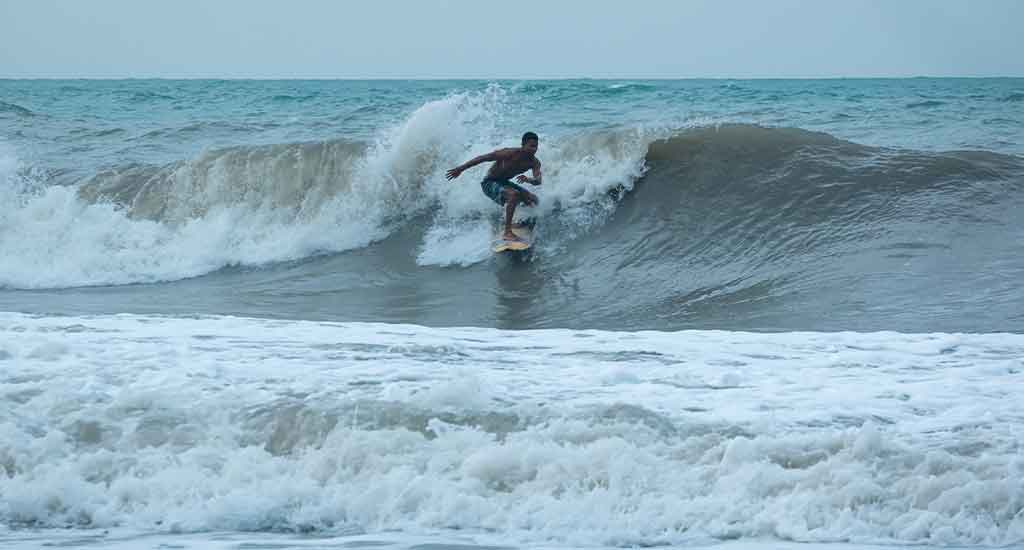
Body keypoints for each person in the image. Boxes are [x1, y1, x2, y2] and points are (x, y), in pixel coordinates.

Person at [446, 132, 542, 241]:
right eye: (531, 146)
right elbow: (483, 158)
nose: (534, 149)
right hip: (489, 183)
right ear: (523, 145)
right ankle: (507, 232)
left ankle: (519, 221)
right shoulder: (509, 153)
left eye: (536, 147)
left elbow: (538, 181)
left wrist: (529, 179)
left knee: (534, 199)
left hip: (504, 182)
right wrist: (460, 169)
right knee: (514, 195)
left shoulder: (534, 162)